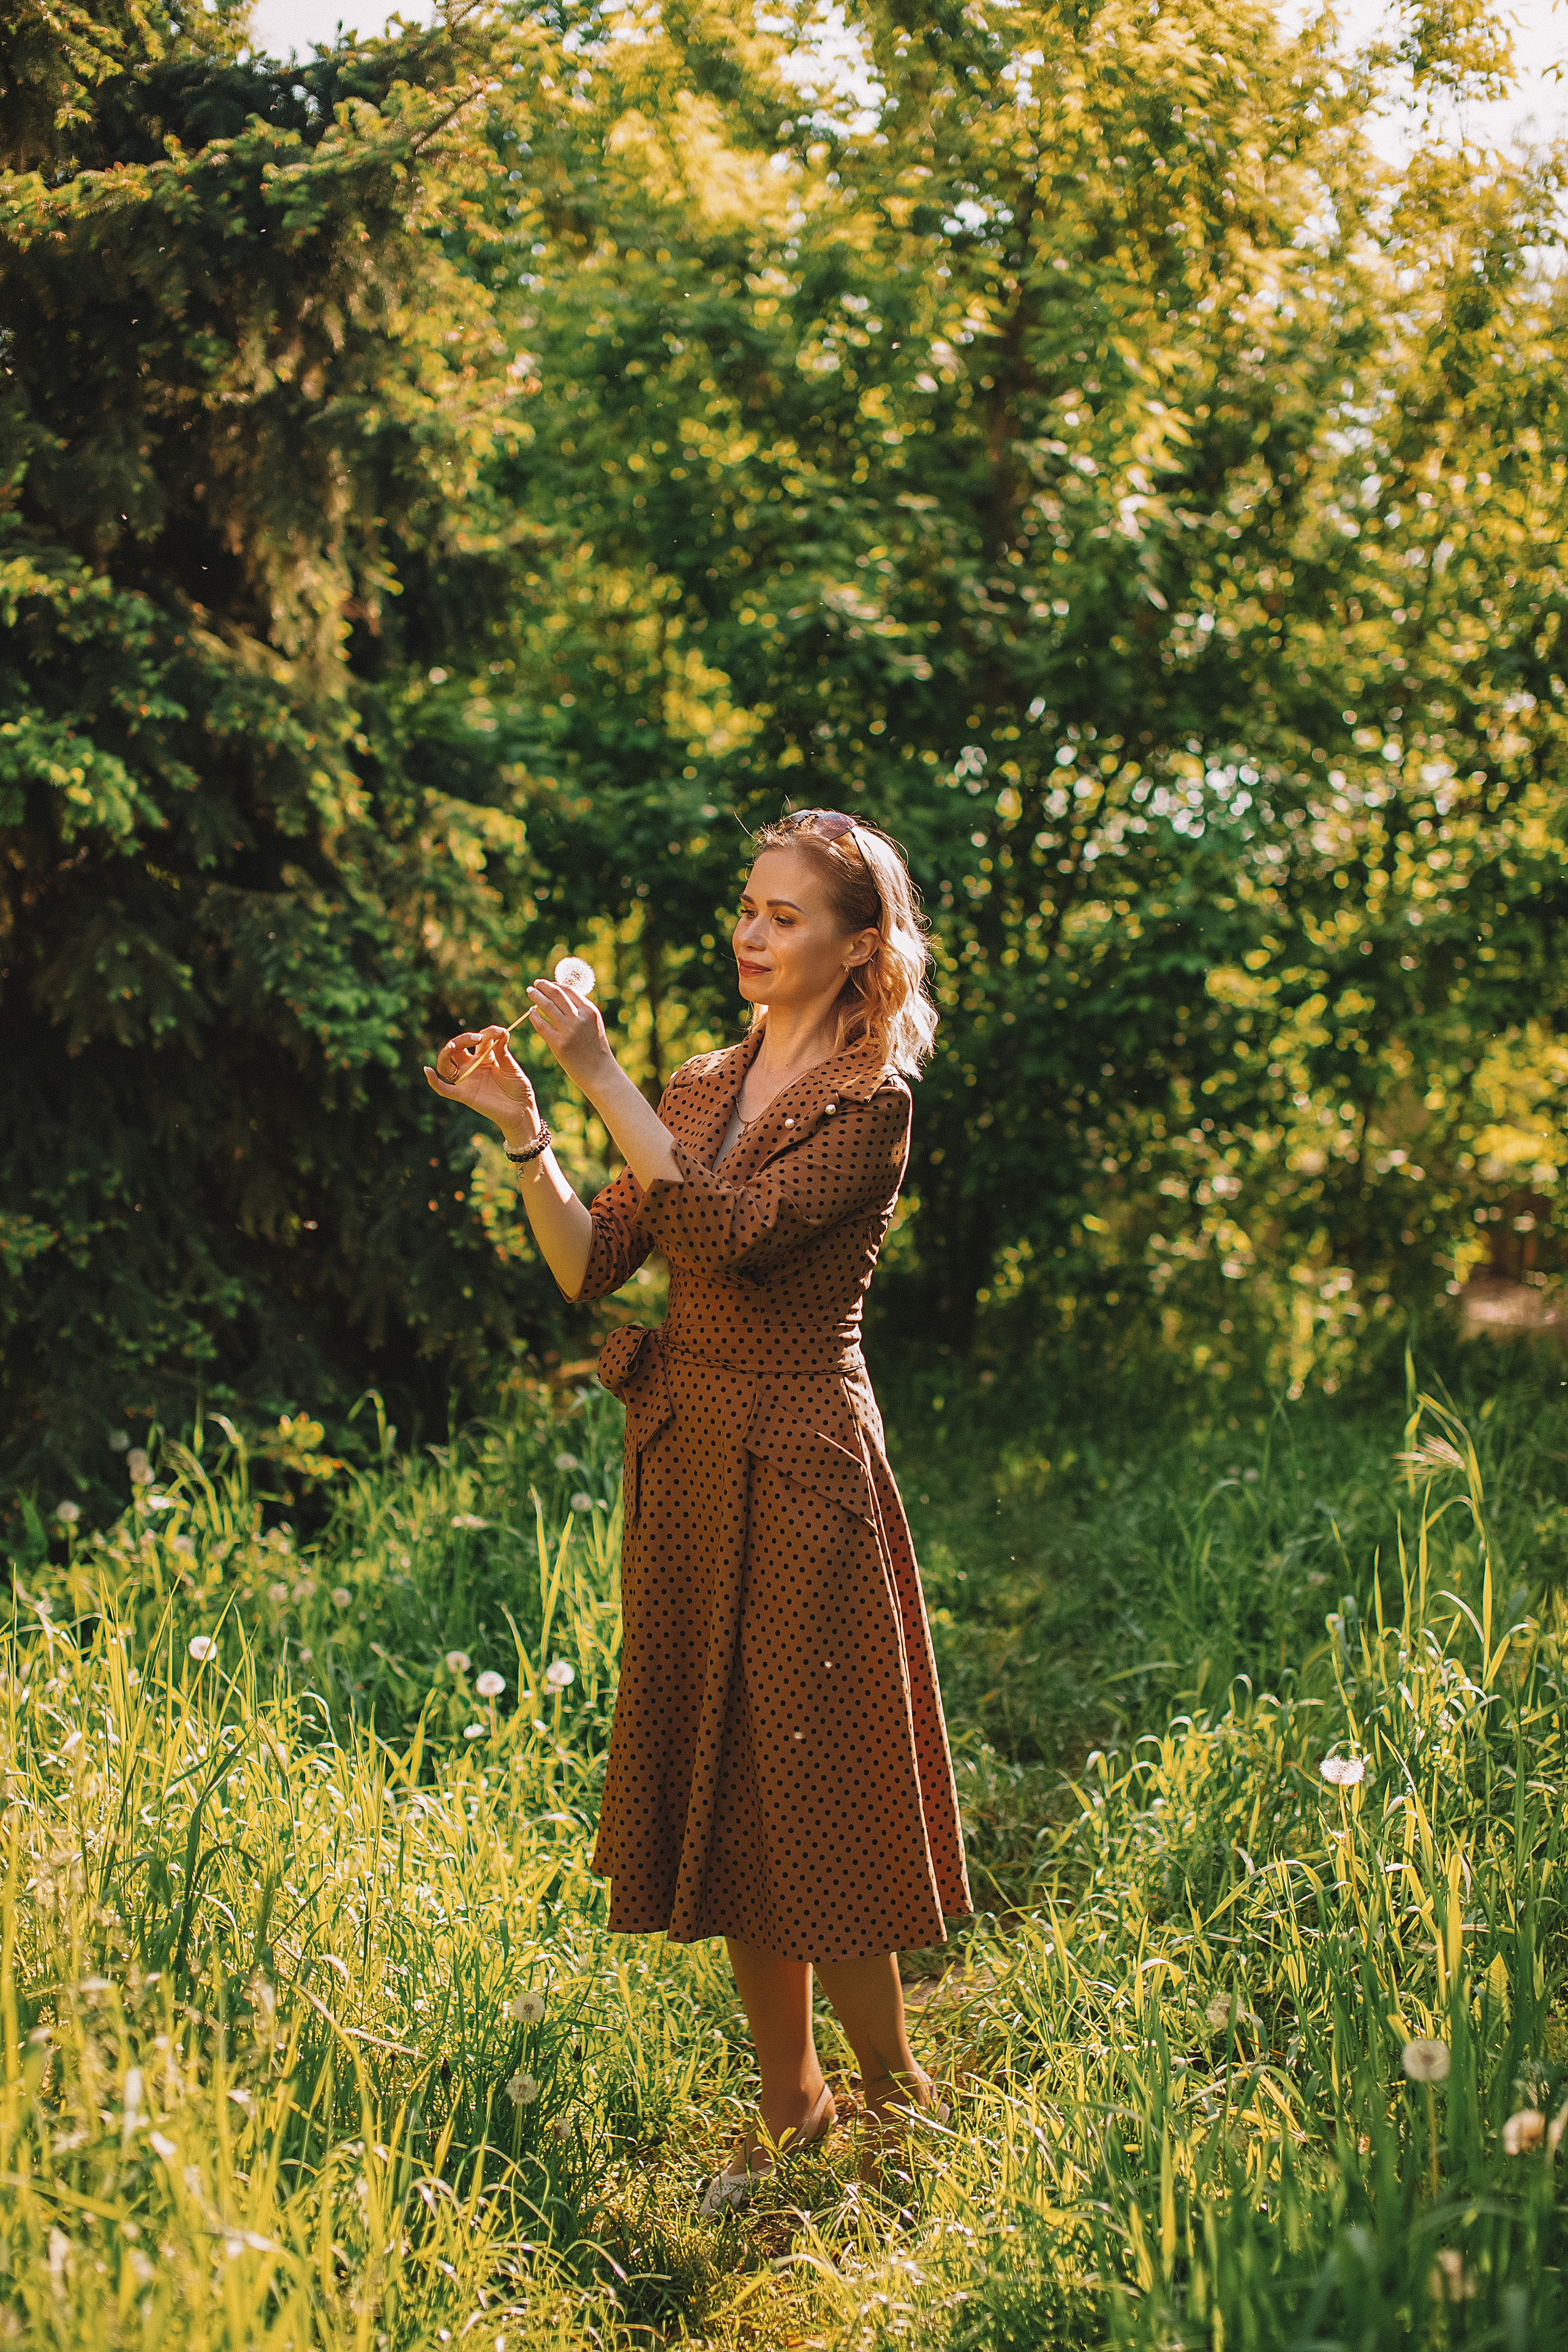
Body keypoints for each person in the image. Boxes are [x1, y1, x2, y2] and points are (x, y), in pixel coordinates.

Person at [426, 809, 971, 2204]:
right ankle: (790, 2103)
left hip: (799, 1457)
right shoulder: (698, 1079)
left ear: (860, 948)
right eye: (748, 905)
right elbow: (593, 1265)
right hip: (683, 1457)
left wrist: (599, 1068)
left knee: (817, 1774)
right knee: (730, 1770)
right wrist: (531, 1134)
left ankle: (896, 2087)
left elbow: (723, 1238)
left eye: (785, 917)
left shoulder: (872, 1103)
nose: (751, 931)